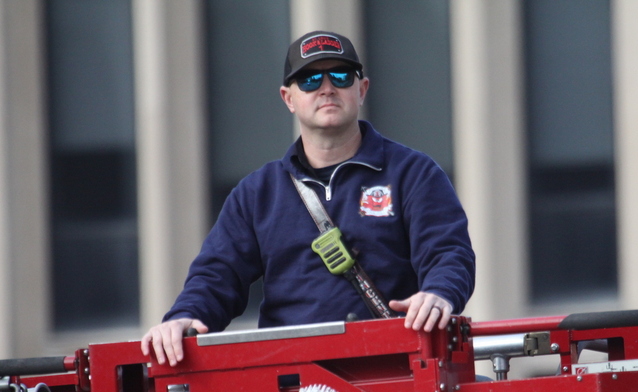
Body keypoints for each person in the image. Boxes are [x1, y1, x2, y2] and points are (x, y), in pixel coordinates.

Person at [142, 30, 475, 366]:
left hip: (395, 375)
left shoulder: (414, 173)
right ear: (288, 98)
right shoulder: (257, 194)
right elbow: (216, 276)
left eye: (341, 76)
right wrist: (183, 316)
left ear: (362, 89)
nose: (327, 88)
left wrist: (440, 293)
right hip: (291, 389)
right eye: (310, 79)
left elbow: (449, 253)